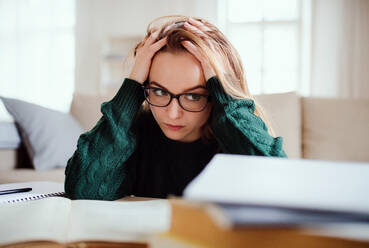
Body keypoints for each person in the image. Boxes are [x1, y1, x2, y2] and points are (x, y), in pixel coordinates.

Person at [64, 15, 287, 200]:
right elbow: (83, 190)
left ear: (216, 93)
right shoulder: (132, 135)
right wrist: (131, 86)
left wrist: (226, 88)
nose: (172, 114)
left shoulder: (233, 139)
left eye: (193, 96)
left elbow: (280, 187)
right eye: (159, 91)